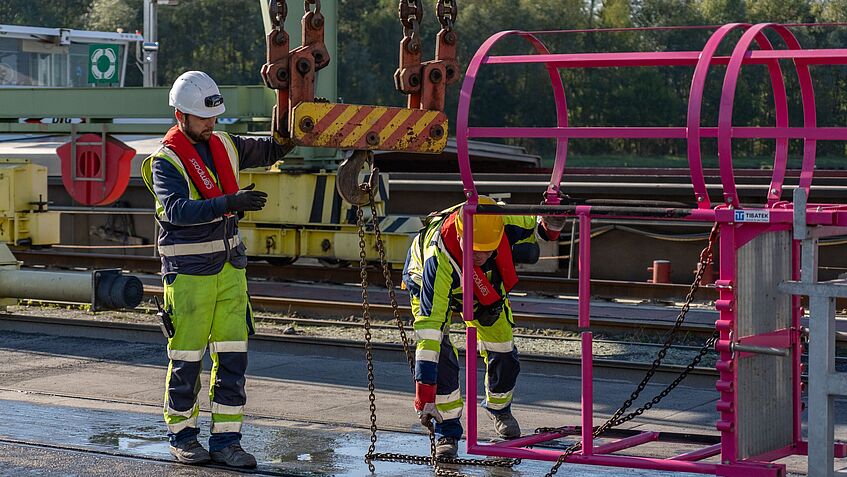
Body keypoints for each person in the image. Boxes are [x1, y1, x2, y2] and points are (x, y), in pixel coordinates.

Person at [141, 71, 292, 468]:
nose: (211, 123)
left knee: (232, 360)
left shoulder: (224, 142)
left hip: (229, 272)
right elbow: (177, 210)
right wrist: (229, 202)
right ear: (180, 116)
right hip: (189, 275)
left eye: (214, 116)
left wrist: (294, 123)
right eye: (203, 118)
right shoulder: (166, 161)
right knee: (187, 361)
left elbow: (271, 150)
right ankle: (183, 438)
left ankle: (227, 442)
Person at [402, 195, 566, 459]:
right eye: (475, 249)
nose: (480, 255)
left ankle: (500, 410)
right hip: (431, 281)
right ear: (461, 235)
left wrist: (554, 219)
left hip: (482, 286)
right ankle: (447, 431)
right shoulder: (437, 258)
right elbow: (429, 332)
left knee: (504, 350)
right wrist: (425, 395)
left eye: (487, 250)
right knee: (441, 354)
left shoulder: (502, 219)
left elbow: (540, 228)